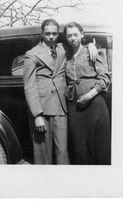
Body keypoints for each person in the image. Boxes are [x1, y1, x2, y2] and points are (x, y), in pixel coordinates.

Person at [23, 19, 97, 164]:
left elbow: (78, 45)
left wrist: (91, 45)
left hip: (61, 108)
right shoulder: (32, 54)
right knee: (43, 155)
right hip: (42, 109)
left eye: (54, 34)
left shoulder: (63, 48)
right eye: (48, 33)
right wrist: (37, 114)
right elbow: (29, 86)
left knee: (63, 152)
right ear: (42, 34)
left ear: (58, 35)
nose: (51, 36)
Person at [64, 21, 111, 165]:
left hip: (94, 104)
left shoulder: (91, 52)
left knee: (99, 147)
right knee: (80, 148)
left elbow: (105, 78)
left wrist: (89, 96)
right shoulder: (65, 55)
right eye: (69, 35)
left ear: (82, 35)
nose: (73, 38)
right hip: (74, 106)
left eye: (75, 35)